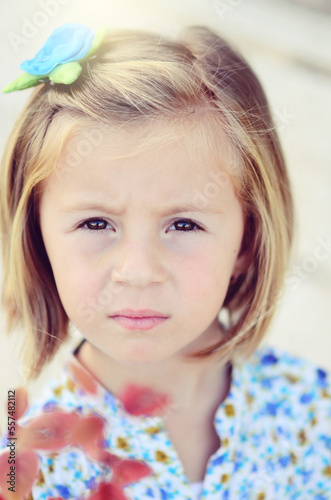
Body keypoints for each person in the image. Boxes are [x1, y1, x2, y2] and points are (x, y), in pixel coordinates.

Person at [0, 22, 330, 500]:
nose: (136, 271)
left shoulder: (312, 407)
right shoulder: (23, 467)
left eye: (184, 225)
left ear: (246, 242)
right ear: (37, 236)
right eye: (96, 224)